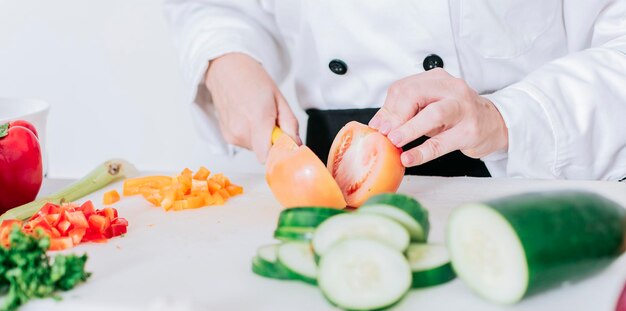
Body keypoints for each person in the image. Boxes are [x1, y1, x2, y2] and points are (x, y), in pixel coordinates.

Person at [164, 0, 626, 180]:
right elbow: (216, 8)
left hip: (531, 172)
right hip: (336, 177)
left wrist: (506, 119)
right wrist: (225, 58)